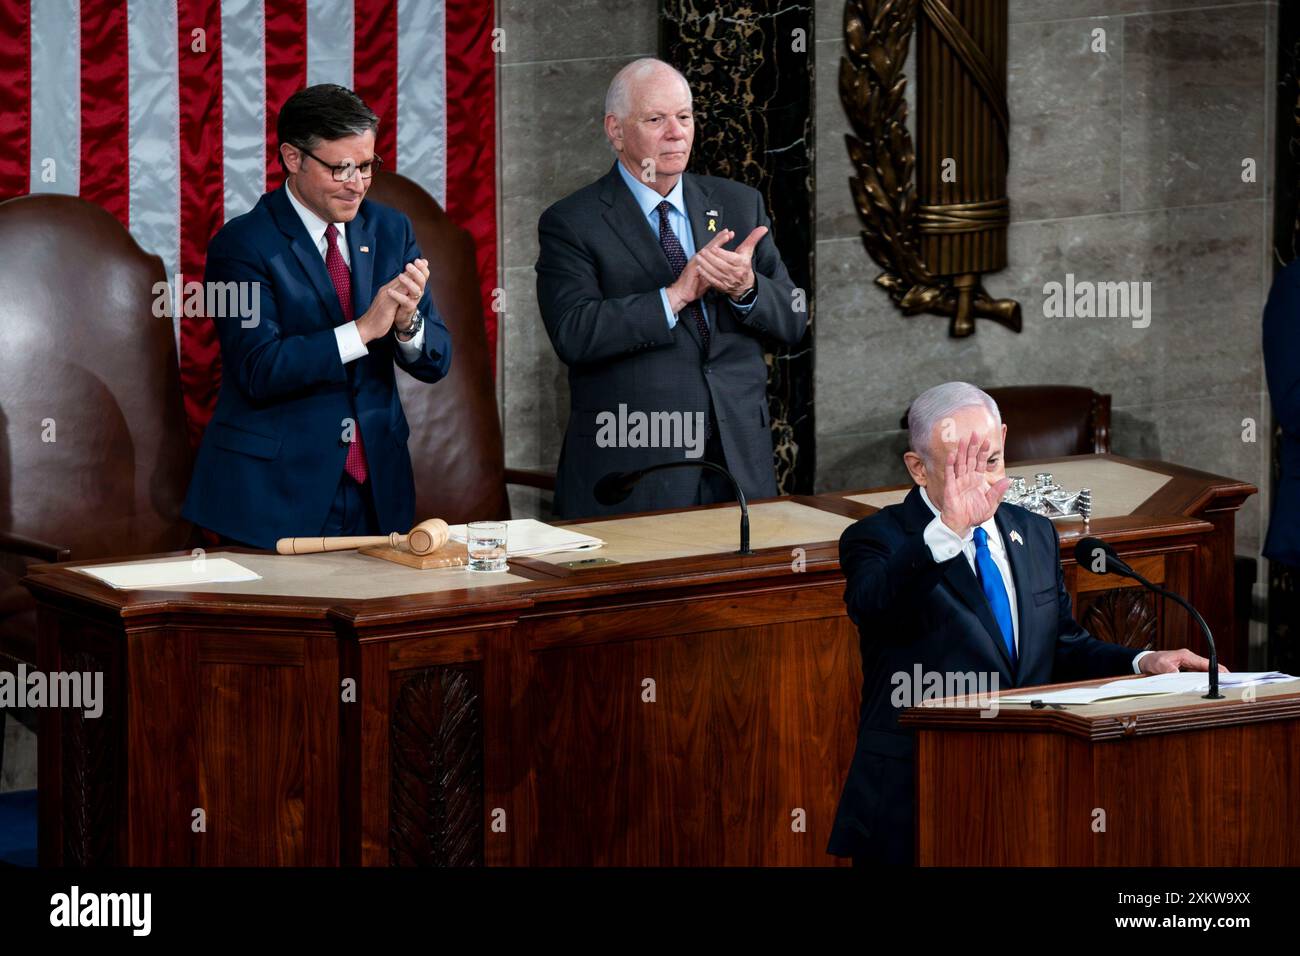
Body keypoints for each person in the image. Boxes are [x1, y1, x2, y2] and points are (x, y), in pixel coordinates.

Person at [827, 381, 1224, 865]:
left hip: (1029, 786)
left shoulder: (1032, 532)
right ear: (917, 467)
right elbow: (875, 609)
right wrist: (949, 528)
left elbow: (1060, 644)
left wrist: (1143, 661)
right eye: (959, 467)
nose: (978, 481)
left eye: (990, 461)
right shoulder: (877, 539)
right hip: (919, 795)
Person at [535, 58, 806, 519]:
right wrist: (674, 296)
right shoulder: (572, 222)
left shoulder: (740, 205)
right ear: (616, 131)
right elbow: (574, 332)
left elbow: (795, 320)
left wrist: (746, 287)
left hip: (740, 465)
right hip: (637, 464)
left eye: (685, 117)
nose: (676, 132)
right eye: (656, 119)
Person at [183, 85, 452, 548]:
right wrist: (365, 329)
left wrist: (407, 324)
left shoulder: (391, 229)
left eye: (366, 166)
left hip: (378, 492)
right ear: (293, 158)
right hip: (276, 495)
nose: (357, 182)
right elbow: (258, 368)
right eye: (340, 167)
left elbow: (435, 359)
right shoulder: (242, 245)